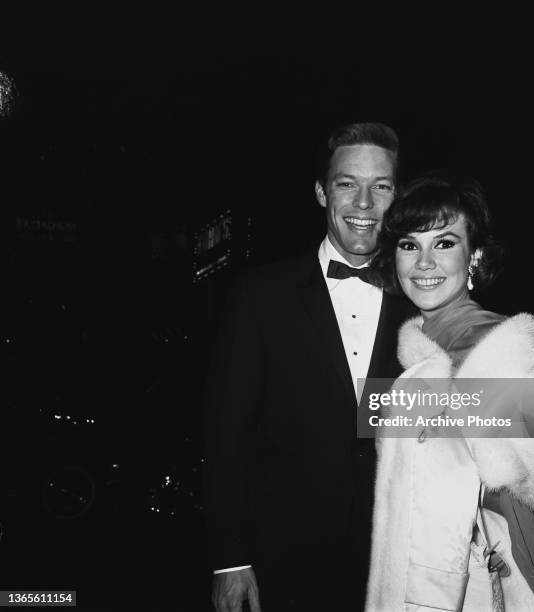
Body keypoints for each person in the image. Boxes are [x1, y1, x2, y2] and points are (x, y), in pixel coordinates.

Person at [205, 122, 416, 612]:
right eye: (348, 184)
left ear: (397, 196)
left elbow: (488, 417)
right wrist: (229, 560)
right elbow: (225, 434)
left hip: (400, 562)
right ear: (322, 192)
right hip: (286, 563)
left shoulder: (423, 297)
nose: (364, 204)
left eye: (380, 187)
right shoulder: (260, 296)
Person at [365, 175, 534, 611]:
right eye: (409, 245)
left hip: (481, 573)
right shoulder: (413, 345)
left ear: (474, 256)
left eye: (443, 243)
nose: (424, 263)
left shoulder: (494, 342)